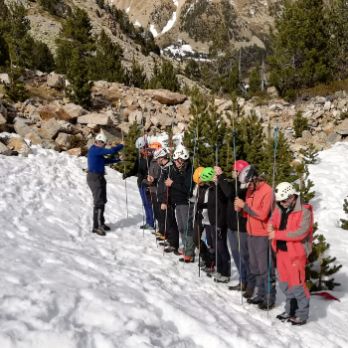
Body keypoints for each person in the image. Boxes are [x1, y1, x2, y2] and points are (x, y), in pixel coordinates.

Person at [268, 182, 313, 325]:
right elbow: (273, 219)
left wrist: (276, 234)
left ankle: (302, 314)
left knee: (297, 285)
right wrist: (270, 225)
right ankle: (290, 310)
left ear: (292, 196)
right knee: (285, 284)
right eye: (280, 201)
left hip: (296, 254)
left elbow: (300, 233)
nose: (282, 203)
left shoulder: (305, 211)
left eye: (284, 200)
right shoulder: (280, 207)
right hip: (281, 252)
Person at [234, 165, 276, 310]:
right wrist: (240, 208)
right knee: (255, 267)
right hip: (251, 233)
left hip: (262, 235)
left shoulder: (268, 191)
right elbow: (248, 213)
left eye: (248, 184)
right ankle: (260, 294)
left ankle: (270, 298)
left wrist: (244, 206)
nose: (247, 187)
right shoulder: (251, 191)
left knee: (265, 268)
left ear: (254, 179)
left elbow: (262, 215)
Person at [215, 159, 250, 291]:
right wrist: (218, 183)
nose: (233, 173)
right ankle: (243, 280)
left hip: (241, 228)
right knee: (236, 254)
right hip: (231, 226)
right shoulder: (233, 183)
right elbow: (224, 197)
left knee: (243, 256)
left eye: (235, 171)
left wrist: (221, 176)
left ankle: (248, 282)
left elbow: (230, 193)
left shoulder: (244, 186)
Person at [87, 132, 124, 236]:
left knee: (102, 201)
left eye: (103, 143)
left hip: (99, 177)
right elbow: (111, 150)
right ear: (98, 142)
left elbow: (105, 161)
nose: (103, 145)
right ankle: (96, 226)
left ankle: (101, 223)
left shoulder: (97, 151)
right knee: (98, 202)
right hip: (94, 178)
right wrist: (121, 145)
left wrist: (118, 160)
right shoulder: (95, 149)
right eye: (102, 143)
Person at [165, 146, 195, 262]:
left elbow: (188, 189)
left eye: (178, 160)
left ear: (183, 160)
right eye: (175, 160)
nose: (176, 162)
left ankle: (189, 253)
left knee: (187, 228)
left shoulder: (189, 171)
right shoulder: (176, 170)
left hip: (186, 203)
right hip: (178, 203)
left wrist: (172, 183)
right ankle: (186, 247)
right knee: (181, 227)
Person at [200, 167, 230, 282]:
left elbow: (224, 198)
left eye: (208, 180)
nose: (207, 183)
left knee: (221, 247)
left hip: (220, 222)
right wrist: (202, 206)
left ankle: (225, 272)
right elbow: (211, 204)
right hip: (213, 221)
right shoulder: (212, 188)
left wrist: (219, 180)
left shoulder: (219, 188)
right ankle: (219, 269)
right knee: (217, 247)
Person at [123, 136, 155, 230]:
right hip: (140, 184)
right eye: (139, 149)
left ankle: (152, 224)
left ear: (145, 146)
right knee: (145, 204)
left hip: (147, 184)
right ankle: (148, 222)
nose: (140, 150)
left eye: (141, 148)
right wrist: (127, 174)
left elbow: (152, 171)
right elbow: (135, 169)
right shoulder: (140, 157)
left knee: (149, 204)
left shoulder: (150, 157)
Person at [154, 147, 179, 252]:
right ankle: (169, 239)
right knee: (166, 221)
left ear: (161, 157)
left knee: (170, 222)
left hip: (168, 200)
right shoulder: (164, 168)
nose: (157, 161)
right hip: (162, 198)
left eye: (157, 159)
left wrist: (165, 201)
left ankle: (174, 244)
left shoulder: (169, 168)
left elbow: (168, 187)